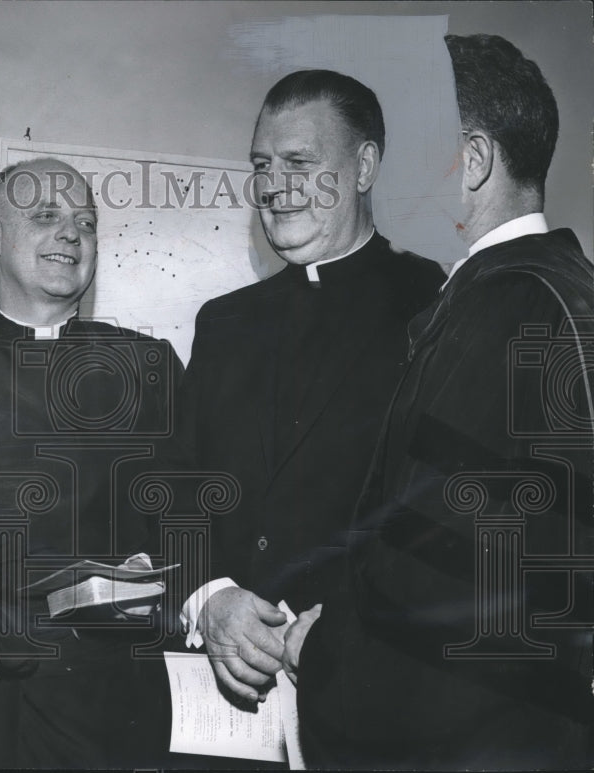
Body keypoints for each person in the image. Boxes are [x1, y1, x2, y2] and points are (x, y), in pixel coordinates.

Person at [285, 35, 593, 768]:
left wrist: (316, 648)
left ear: (475, 162)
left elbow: (437, 597)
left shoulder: (504, 314)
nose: (369, 179)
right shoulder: (560, 292)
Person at [0, 158, 182, 768]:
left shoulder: (147, 367)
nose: (71, 234)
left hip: (112, 700)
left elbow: (185, 531)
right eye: (45, 217)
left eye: (85, 221)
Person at [178, 70, 445, 704]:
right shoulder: (224, 322)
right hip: (223, 702)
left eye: (299, 162)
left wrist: (354, 621)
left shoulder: (435, 306)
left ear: (364, 167)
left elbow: (452, 512)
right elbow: (175, 485)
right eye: (262, 164)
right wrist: (209, 597)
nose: (274, 187)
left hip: (371, 693)